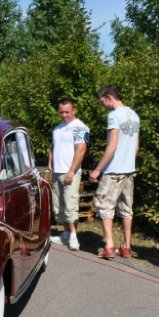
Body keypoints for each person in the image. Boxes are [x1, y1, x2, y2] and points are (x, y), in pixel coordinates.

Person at [89, 85, 140, 260]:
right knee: (126, 209)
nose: (103, 106)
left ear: (109, 97)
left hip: (113, 171)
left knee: (105, 206)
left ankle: (109, 246)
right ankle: (126, 246)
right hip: (129, 170)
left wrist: (97, 170)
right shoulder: (134, 115)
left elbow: (112, 145)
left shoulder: (114, 116)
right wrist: (128, 162)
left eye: (102, 102)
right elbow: (136, 146)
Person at [48, 98, 89, 250]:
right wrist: (50, 163)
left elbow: (81, 150)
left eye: (67, 112)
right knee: (59, 206)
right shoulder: (57, 129)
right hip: (57, 172)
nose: (64, 115)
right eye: (61, 112)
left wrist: (72, 170)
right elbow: (52, 147)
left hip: (70, 172)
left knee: (70, 205)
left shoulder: (80, 127)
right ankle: (65, 233)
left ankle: (73, 237)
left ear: (74, 111)